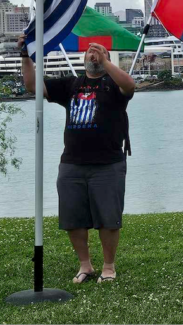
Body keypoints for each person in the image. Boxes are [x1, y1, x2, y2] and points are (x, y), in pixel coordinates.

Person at [19, 35, 135, 284]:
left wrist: (106, 63)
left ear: (106, 58)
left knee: (109, 218)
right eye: (90, 52)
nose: (93, 54)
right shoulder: (72, 84)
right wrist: (25, 56)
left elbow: (130, 85)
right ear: (83, 59)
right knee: (73, 218)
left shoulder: (113, 85)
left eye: (99, 51)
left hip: (108, 163)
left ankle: (108, 267)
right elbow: (32, 86)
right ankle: (85, 266)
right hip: (72, 163)